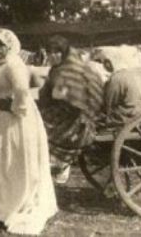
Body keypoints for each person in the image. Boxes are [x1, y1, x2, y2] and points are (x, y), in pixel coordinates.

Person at [0, 28, 57, 235]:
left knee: (12, 162)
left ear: (11, 46)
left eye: (1, 44)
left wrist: (12, 107)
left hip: (16, 121)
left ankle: (13, 205)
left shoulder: (14, 65)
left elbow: (22, 93)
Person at [38, 35, 105, 184]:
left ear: (64, 52)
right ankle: (55, 164)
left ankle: (60, 165)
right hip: (66, 112)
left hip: (80, 119)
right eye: (50, 52)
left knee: (39, 125)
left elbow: (77, 99)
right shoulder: (57, 70)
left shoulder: (71, 70)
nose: (53, 56)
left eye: (57, 52)